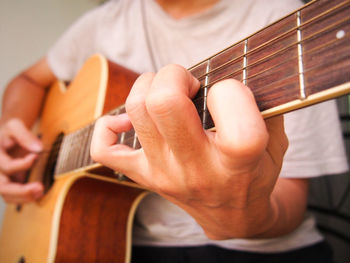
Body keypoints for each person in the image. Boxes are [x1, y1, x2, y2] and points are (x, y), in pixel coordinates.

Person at [0, 0, 348, 262]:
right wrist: (9, 141)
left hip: (254, 248)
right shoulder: (103, 22)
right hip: (121, 244)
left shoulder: (280, 16)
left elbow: (289, 202)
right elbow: (28, 80)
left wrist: (243, 215)